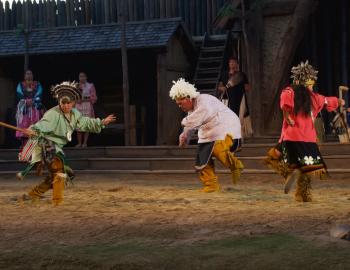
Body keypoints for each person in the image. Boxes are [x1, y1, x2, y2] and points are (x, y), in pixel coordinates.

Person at [19, 81, 116, 205]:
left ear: (73, 103)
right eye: (62, 103)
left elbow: (85, 123)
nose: (65, 106)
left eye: (68, 103)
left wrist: (101, 122)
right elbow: (43, 124)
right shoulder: (53, 113)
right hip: (47, 145)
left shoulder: (75, 114)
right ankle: (57, 202)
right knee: (59, 172)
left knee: (62, 174)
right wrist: (33, 129)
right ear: (59, 103)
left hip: (57, 148)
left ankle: (34, 194)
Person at [265, 61, 345, 202]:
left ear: (297, 80)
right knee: (307, 170)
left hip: (291, 137)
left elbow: (285, 100)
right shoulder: (316, 98)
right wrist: (340, 102)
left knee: (272, 158)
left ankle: (289, 172)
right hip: (309, 140)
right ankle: (303, 195)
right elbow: (328, 101)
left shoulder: (290, 90)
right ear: (310, 83)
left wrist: (286, 115)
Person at [169, 78, 244, 192]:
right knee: (202, 157)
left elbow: (199, 115)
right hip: (210, 133)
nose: (179, 106)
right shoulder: (192, 111)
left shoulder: (204, 100)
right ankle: (211, 185)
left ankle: (234, 164)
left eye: (180, 103)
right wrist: (184, 135)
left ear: (188, 97)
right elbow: (193, 123)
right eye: (178, 104)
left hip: (227, 128)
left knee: (218, 148)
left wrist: (184, 122)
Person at [15, 70, 44, 145]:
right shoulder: (21, 84)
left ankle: (34, 144)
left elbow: (39, 92)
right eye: (27, 74)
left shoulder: (37, 84)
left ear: (33, 75)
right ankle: (24, 144)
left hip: (35, 107)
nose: (29, 75)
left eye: (30, 74)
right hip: (24, 108)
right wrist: (26, 101)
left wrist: (33, 100)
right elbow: (19, 92)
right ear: (24, 76)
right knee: (24, 125)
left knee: (34, 125)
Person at [75, 72, 98, 147]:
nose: (82, 78)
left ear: (86, 77)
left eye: (83, 76)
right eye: (80, 76)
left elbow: (94, 97)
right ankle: (79, 143)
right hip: (78, 106)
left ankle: (85, 142)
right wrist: (76, 100)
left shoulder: (90, 86)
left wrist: (86, 99)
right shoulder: (76, 85)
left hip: (87, 105)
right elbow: (73, 96)